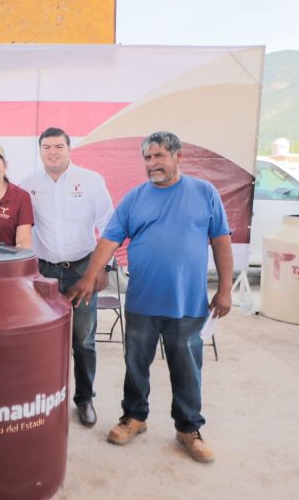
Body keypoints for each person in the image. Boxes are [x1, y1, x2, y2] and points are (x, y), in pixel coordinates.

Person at [67, 131, 233, 463]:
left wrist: (225, 289)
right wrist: (89, 276)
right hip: (142, 301)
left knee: (187, 368)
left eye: (159, 156)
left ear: (178, 156)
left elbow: (221, 241)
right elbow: (110, 239)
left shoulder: (204, 192)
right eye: (147, 158)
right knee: (135, 365)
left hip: (187, 303)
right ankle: (134, 416)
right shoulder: (135, 198)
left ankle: (188, 428)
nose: (153, 163)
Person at [21, 127, 113, 428]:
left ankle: (84, 399)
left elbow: (109, 226)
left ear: (69, 149)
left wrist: (103, 269)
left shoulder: (91, 181)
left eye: (58, 146)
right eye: (46, 147)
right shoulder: (28, 185)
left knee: (83, 340)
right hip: (43, 271)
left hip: (82, 270)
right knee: (42, 340)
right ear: (40, 151)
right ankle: (44, 398)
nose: (53, 152)